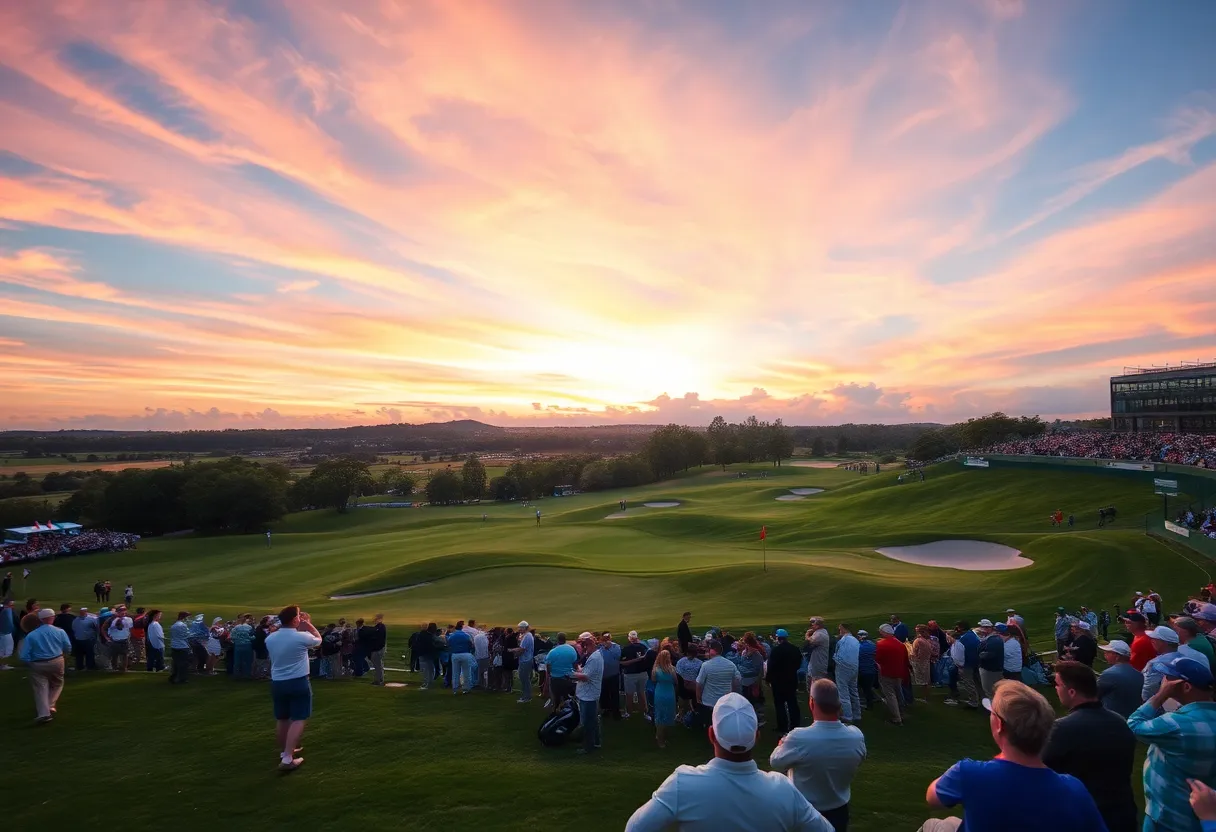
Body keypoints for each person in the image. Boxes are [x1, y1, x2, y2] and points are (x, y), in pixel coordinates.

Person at [625, 692, 834, 831]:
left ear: (711, 735)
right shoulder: (783, 789)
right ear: (757, 737)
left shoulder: (683, 783)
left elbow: (635, 828)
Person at [920, 680, 1107, 832]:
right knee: (950, 823)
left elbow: (933, 798)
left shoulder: (970, 773)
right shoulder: (1074, 788)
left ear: (1000, 726)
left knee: (933, 825)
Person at [1043, 661, 1138, 832]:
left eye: (1057, 684)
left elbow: (1040, 769)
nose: (1055, 689)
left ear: (1071, 692)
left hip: (1086, 815)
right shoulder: (1119, 721)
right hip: (1122, 812)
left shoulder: (1063, 729)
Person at [1128, 657, 1216, 832]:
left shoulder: (1176, 724)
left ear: (1186, 686)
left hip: (1167, 816)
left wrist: (1161, 695)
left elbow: (1134, 724)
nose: (1163, 681)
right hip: (1204, 811)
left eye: (1168, 678)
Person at [770, 680, 866, 832]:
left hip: (805, 811)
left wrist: (783, 744)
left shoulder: (799, 738)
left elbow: (775, 762)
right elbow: (860, 758)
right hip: (839, 809)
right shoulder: (855, 737)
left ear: (812, 703)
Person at [265, 605, 322, 771]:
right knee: (298, 718)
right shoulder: (301, 637)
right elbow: (318, 640)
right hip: (298, 681)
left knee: (282, 718)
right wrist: (308, 625)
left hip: (277, 682)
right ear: (295, 619)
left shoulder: (270, 638)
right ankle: (288, 759)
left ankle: (285, 752)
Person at [19, 608, 72, 724]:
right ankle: (51, 704)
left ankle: (44, 714)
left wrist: (31, 663)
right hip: (57, 660)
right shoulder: (60, 631)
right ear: (52, 618)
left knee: (40, 689)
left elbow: (24, 655)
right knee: (57, 683)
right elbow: (68, 647)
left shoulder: (31, 635)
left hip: (38, 663)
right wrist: (63, 655)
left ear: (41, 620)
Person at [696, 639, 742, 725]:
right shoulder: (731, 664)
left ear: (713, 651)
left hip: (709, 702)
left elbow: (699, 683)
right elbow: (737, 680)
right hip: (725, 702)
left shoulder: (706, 665)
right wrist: (731, 692)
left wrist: (698, 698)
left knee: (711, 725)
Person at [573, 631, 604, 754]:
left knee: (587, 723)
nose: (583, 647)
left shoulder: (594, 658)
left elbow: (585, 677)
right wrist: (579, 669)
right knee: (593, 721)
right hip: (589, 694)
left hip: (588, 695)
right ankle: (596, 742)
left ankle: (588, 747)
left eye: (583, 644)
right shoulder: (593, 656)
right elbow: (587, 671)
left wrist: (571, 674)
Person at [1096, 639, 1143, 717]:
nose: (1105, 654)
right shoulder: (1138, 674)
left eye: (1108, 652)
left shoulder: (1109, 674)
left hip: (1112, 717)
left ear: (1117, 656)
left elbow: (1094, 695)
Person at [874, 624, 909, 725]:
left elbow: (878, 659)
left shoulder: (881, 644)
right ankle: (901, 712)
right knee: (898, 692)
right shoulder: (901, 644)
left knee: (890, 695)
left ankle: (896, 718)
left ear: (884, 633)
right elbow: (905, 660)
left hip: (886, 672)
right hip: (899, 672)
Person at [834, 623, 861, 724]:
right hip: (854, 667)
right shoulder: (855, 640)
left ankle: (847, 716)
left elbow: (839, 655)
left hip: (843, 668)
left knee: (843, 693)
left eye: (840, 629)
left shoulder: (844, 640)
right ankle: (857, 715)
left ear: (844, 629)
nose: (839, 630)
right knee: (854, 691)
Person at [545, 632, 578, 711]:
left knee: (556, 698)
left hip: (556, 678)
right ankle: (568, 711)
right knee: (567, 697)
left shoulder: (553, 652)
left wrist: (549, 674)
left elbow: (548, 666)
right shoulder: (572, 649)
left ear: (557, 640)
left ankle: (556, 711)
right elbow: (574, 664)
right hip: (568, 677)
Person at [652, 648, 677, 748]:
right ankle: (663, 737)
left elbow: (653, 680)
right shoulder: (672, 669)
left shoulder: (656, 669)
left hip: (659, 692)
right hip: (669, 692)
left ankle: (659, 737)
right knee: (668, 714)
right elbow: (675, 681)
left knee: (660, 715)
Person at [622, 630, 650, 718]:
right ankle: (645, 712)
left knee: (629, 695)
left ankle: (629, 713)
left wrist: (634, 660)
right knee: (642, 693)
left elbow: (623, 663)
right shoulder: (644, 647)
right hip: (643, 674)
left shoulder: (626, 648)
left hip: (630, 675)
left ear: (629, 638)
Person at [676, 645, 704, 724]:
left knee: (694, 702)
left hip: (694, 685)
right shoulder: (681, 661)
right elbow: (678, 673)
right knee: (682, 702)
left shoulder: (700, 663)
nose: (691, 656)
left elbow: (701, 674)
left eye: (693, 654)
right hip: (683, 684)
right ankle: (681, 715)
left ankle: (693, 717)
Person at [977, 619, 1004, 698]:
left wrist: (980, 655)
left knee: (990, 691)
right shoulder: (991, 638)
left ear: (988, 628)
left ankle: (995, 709)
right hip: (991, 669)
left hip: (990, 670)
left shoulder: (994, 640)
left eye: (982, 627)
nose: (980, 629)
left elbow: (990, 655)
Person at [447, 621, 476, 694]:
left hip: (455, 654)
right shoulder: (466, 635)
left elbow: (449, 645)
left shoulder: (452, 636)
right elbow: (471, 645)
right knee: (467, 672)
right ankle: (466, 689)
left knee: (455, 673)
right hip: (466, 653)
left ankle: (455, 689)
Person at [911, 625, 934, 704]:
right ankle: (926, 697)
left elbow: (918, 653)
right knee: (926, 681)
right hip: (925, 662)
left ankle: (925, 698)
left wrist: (913, 658)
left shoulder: (919, 641)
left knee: (923, 682)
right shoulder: (926, 640)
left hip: (920, 663)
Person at [70, 606, 98, 671]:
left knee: (89, 654)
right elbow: (74, 628)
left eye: (83, 611)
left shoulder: (91, 619)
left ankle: (90, 667)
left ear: (86, 611)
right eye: (81, 611)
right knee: (79, 654)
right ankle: (80, 667)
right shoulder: (76, 620)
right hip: (79, 639)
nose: (82, 613)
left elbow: (96, 628)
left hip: (88, 639)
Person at [106, 606, 133, 673]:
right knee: (114, 656)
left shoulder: (129, 619)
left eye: (124, 610)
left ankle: (124, 669)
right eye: (121, 610)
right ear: (117, 611)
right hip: (115, 640)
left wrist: (129, 635)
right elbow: (103, 628)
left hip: (125, 640)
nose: (123, 611)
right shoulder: (111, 619)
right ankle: (114, 668)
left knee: (125, 655)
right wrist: (107, 637)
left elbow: (130, 629)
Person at [169, 611, 192, 684]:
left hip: (174, 646)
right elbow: (187, 636)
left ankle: (174, 677)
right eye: (188, 617)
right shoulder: (183, 626)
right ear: (184, 617)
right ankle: (182, 679)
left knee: (176, 663)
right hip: (182, 646)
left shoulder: (174, 625)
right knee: (183, 664)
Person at [856, 630, 877, 711]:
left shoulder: (859, 646)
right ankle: (871, 700)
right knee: (868, 688)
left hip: (862, 670)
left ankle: (869, 704)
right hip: (872, 670)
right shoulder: (872, 645)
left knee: (864, 689)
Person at [515, 620, 535, 703]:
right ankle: (526, 696)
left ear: (524, 628)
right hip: (527, 659)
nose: (519, 630)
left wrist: (515, 654)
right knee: (525, 679)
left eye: (520, 628)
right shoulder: (528, 635)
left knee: (524, 679)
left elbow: (522, 649)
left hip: (525, 660)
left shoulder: (527, 636)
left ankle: (526, 697)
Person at [230, 615, 254, 679]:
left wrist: (237, 640)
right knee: (247, 660)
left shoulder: (235, 628)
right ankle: (247, 674)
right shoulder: (249, 627)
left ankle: (236, 675)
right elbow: (253, 637)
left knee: (237, 661)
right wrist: (247, 638)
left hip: (238, 645)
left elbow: (232, 637)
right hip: (247, 645)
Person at [806, 618, 830, 682]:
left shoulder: (819, 635)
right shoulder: (823, 632)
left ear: (818, 626)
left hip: (817, 666)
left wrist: (807, 635)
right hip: (818, 664)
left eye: (813, 624)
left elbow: (809, 642)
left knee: (816, 685)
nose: (811, 626)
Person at [367, 613, 387, 686]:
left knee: (378, 665)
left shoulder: (380, 627)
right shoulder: (379, 627)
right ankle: (378, 679)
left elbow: (378, 639)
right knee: (378, 665)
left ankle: (379, 680)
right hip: (378, 649)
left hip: (378, 649)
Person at [0, 598, 15, 671]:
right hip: (5, 633)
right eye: (11, 605)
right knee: (6, 650)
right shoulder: (6, 611)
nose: (12, 606)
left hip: (5, 633)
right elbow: (8, 623)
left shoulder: (5, 610)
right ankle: (3, 665)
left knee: (3, 649)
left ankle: (3, 665)